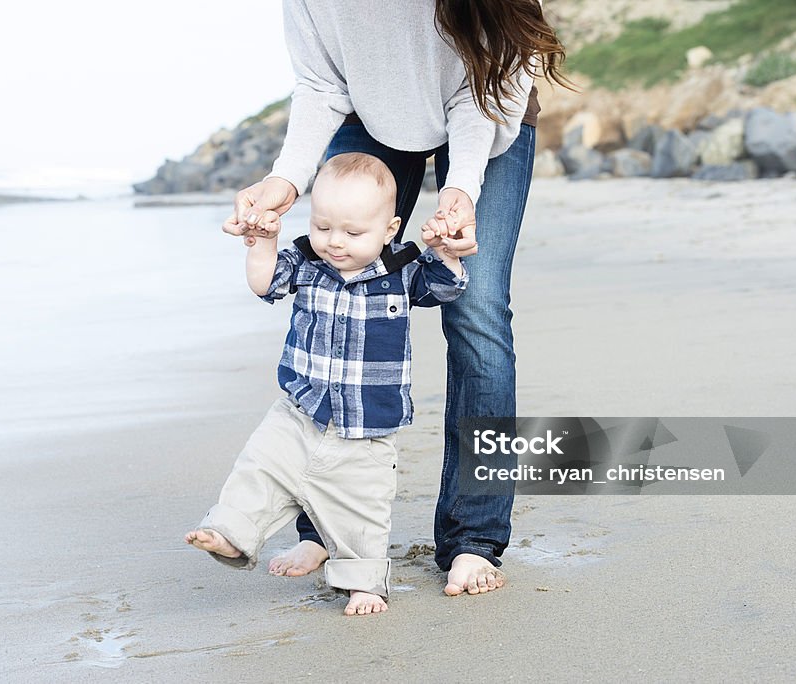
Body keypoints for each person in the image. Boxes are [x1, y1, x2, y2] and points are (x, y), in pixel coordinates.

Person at [223, 0, 570, 596]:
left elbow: (476, 95)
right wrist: (285, 179)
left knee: (477, 313)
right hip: (375, 115)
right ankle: (322, 525)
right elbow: (320, 82)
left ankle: (474, 538)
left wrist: (459, 190)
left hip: (488, 110)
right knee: (333, 279)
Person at [187, 152, 467, 616]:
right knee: (259, 468)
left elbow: (447, 288)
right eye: (323, 227)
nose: (335, 243)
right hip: (299, 411)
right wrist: (262, 245)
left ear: (389, 230)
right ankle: (232, 532)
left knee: (363, 513)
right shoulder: (307, 261)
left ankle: (363, 584)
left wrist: (446, 253)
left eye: (353, 233)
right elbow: (264, 284)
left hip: (366, 428)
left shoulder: (402, 272)